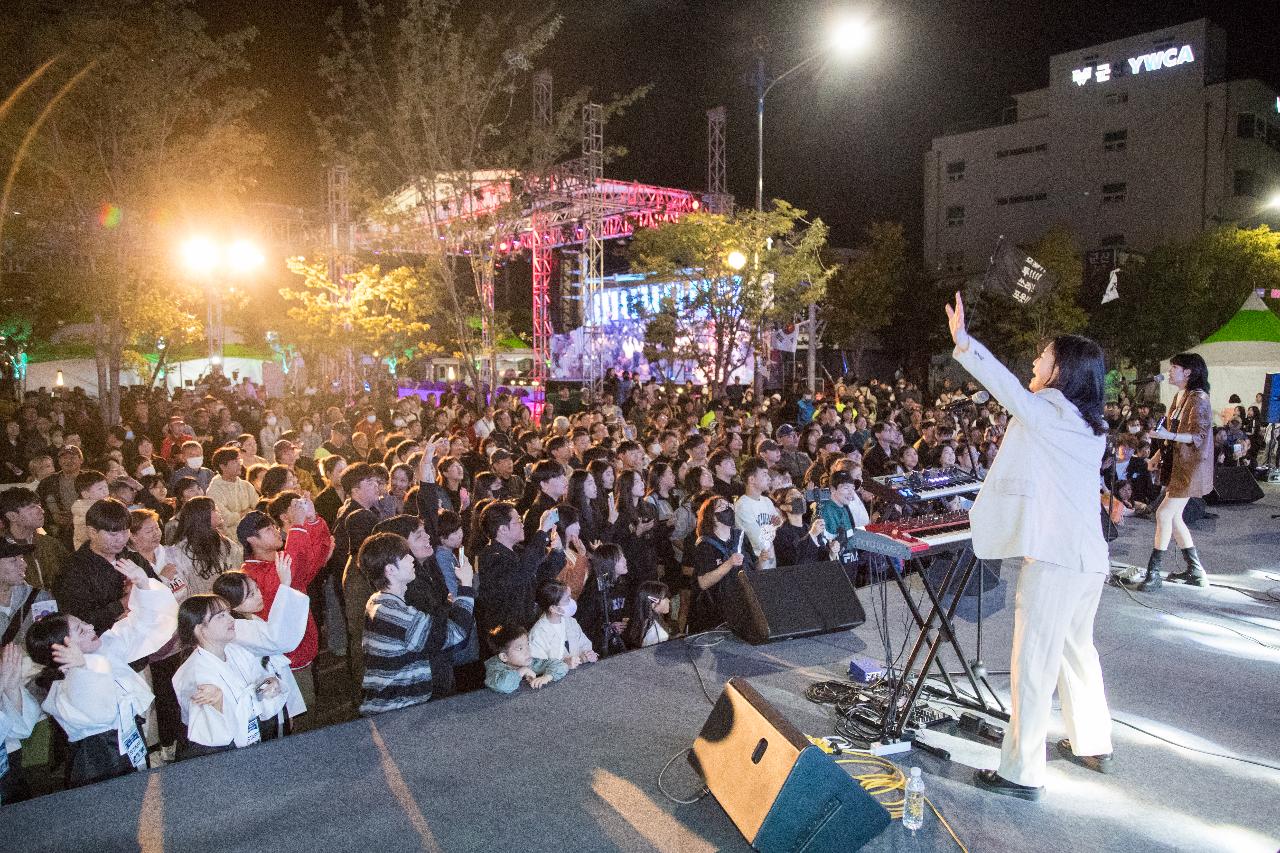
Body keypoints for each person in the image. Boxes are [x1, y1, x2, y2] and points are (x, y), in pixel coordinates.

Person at [946, 292, 1113, 800]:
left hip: (1057, 560)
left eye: (1042, 356)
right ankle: (1091, 741)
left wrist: (965, 343)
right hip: (1089, 558)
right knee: (1075, 649)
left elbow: (1008, 392)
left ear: (1061, 367)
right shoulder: (1090, 424)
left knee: (1033, 663)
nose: (1034, 362)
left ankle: (1021, 772)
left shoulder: (1050, 410)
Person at [27, 559, 178, 787]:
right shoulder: (62, 687)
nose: (90, 627)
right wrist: (82, 669)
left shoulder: (106, 646)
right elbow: (102, 713)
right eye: (80, 629)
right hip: (99, 762)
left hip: (131, 744)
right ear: (61, 647)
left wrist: (144, 584)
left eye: (85, 623)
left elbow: (145, 626)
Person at [358, 532, 475, 715]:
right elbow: (456, 635)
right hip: (398, 710)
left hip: (396, 707)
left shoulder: (380, 601)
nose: (411, 559)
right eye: (405, 556)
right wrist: (466, 584)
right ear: (390, 570)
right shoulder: (395, 614)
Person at [171, 591, 294, 758]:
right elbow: (210, 733)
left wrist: (270, 683)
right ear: (200, 629)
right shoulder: (193, 674)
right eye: (220, 616)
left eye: (228, 613)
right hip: (218, 754)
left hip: (252, 737)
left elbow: (259, 684)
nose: (231, 619)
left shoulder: (236, 650)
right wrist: (219, 704)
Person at [1135, 353, 1214, 590]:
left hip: (1190, 468)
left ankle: (1154, 573)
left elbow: (1198, 436)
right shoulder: (1180, 396)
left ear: (1188, 372)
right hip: (1177, 465)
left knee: (1163, 514)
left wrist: (1168, 436)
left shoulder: (1199, 399)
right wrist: (1157, 455)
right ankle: (1195, 571)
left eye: (1174, 368)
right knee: (1174, 516)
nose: (1169, 371)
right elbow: (1170, 430)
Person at [687, 496, 747, 633]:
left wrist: (763, 558)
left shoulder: (740, 537)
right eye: (722, 507)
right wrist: (729, 563)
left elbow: (752, 568)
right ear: (712, 517)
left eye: (729, 506)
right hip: (713, 610)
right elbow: (703, 582)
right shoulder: (705, 545)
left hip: (737, 605)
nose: (728, 509)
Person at [168, 497, 243, 598]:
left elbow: (239, 568)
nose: (218, 511)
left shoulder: (224, 542)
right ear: (203, 516)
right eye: (214, 510)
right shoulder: (180, 552)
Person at [527, 580, 596, 670]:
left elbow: (585, 645)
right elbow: (537, 667)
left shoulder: (571, 622)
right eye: (567, 599)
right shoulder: (538, 633)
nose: (571, 602)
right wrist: (564, 664)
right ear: (553, 608)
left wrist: (588, 655)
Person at [482, 623, 569, 694]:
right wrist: (522, 671)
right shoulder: (494, 667)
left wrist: (547, 677)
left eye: (527, 644)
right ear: (504, 657)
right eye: (520, 648)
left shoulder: (528, 661)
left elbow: (560, 665)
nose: (527, 651)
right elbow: (502, 685)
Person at [622, 580, 672, 649]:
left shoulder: (641, 622)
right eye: (665, 598)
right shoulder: (659, 634)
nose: (668, 600)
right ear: (654, 603)